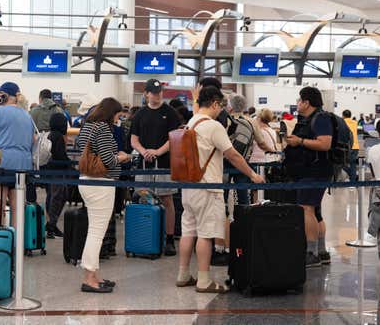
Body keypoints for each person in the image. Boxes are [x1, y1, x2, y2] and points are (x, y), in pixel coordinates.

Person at [177, 86, 264, 294]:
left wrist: (195, 97)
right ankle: (204, 280)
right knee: (206, 235)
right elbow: (232, 155)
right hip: (208, 187)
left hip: (189, 186)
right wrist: (253, 175)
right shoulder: (213, 126)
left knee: (188, 231)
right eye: (221, 105)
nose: (222, 110)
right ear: (215, 104)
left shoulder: (193, 121)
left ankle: (183, 275)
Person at [76, 98, 131, 293]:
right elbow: (108, 159)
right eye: (117, 116)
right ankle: (89, 278)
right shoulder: (103, 129)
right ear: (111, 113)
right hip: (101, 183)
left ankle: (94, 274)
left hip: (86, 180)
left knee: (94, 229)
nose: (118, 120)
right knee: (97, 232)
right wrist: (123, 157)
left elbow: (79, 150)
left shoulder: (86, 127)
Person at [284, 87, 333, 268]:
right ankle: (321, 251)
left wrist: (300, 141)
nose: (297, 103)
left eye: (299, 100)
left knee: (306, 209)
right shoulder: (311, 119)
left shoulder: (320, 118)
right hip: (310, 171)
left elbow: (325, 144)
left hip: (315, 172)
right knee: (315, 211)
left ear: (306, 102)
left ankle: (311, 254)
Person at [130, 79, 181, 256]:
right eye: (153, 92)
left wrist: (158, 152)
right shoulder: (139, 115)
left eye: (159, 92)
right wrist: (144, 152)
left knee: (167, 199)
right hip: (144, 163)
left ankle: (169, 239)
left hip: (165, 163)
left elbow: (173, 138)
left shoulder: (170, 113)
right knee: (142, 197)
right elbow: (134, 139)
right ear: (146, 94)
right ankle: (143, 235)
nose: (157, 95)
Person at [0, 82, 33, 226]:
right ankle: (18, 244)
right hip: (24, 163)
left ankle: (0, 244)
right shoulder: (26, 115)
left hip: (1, 161)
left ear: (4, 96)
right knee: (17, 208)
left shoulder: (0, 112)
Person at [43, 112, 72, 238]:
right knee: (59, 197)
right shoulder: (58, 136)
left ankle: (50, 223)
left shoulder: (49, 134)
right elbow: (60, 156)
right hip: (58, 172)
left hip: (48, 171)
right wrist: (71, 164)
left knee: (51, 196)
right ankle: (52, 224)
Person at [342, 110, 359, 183]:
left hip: (347, 147)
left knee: (340, 163)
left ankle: (352, 176)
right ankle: (353, 179)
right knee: (353, 164)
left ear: (343, 116)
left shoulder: (342, 122)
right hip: (355, 146)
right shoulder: (355, 123)